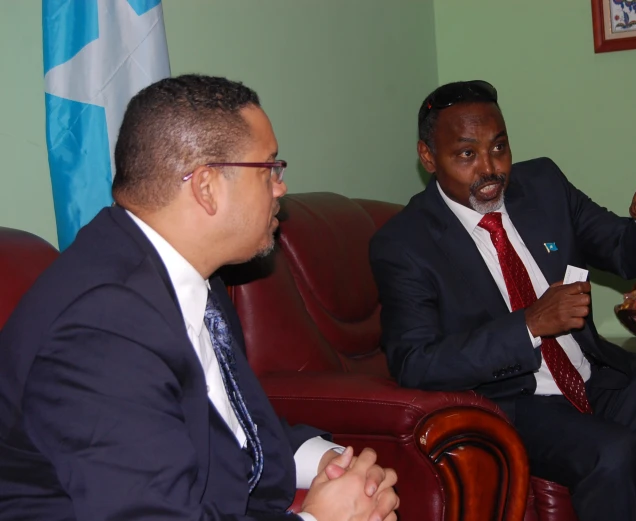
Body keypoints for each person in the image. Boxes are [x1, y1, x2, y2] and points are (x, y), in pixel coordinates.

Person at [0, 75, 399, 521]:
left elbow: (234, 427)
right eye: (270, 168)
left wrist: (331, 462)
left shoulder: (189, 276)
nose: (281, 187)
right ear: (206, 186)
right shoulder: (103, 329)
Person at [369, 80, 636, 521]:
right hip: (514, 402)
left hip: (594, 375)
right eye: (466, 154)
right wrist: (529, 325)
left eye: (499, 148)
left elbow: (619, 248)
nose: (490, 169)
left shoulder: (542, 185)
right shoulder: (405, 242)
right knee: (614, 453)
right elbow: (415, 361)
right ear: (428, 156)